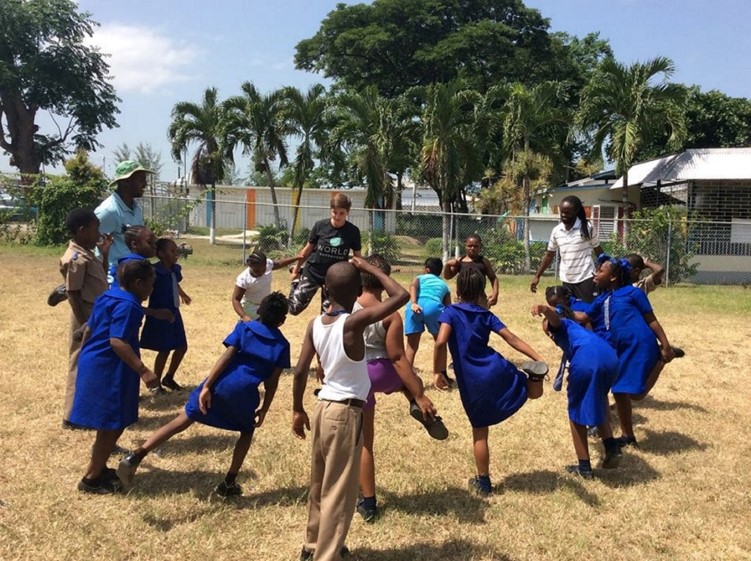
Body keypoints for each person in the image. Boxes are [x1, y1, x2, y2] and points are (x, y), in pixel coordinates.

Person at [291, 258, 408, 561]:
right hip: (345, 413)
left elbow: (301, 370)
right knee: (339, 492)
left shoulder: (315, 324)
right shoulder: (353, 323)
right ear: (358, 291)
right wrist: (373, 270)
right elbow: (401, 296)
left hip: (320, 407)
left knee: (319, 483)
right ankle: (327, 555)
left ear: (325, 289)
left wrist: (296, 409)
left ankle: (312, 545)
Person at [117, 293, 291, 497]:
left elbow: (225, 358)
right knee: (246, 432)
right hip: (245, 394)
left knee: (183, 419)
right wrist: (264, 409)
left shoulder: (245, 328)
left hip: (220, 385)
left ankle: (137, 455)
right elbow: (272, 383)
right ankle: (229, 482)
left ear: (259, 310)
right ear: (283, 320)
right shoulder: (282, 345)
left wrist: (208, 386)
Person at [434, 268, 548, 496]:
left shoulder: (450, 312)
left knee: (480, 431)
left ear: (457, 291)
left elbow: (440, 342)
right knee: (525, 389)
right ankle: (534, 378)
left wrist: (438, 371)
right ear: (481, 292)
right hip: (495, 368)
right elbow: (511, 338)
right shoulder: (485, 314)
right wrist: (537, 357)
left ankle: (484, 482)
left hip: (472, 379)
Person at [353, 255, 446, 523]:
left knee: (365, 443)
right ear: (386, 280)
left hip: (359, 377)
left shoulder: (349, 309)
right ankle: (415, 404)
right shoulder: (389, 315)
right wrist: (418, 391)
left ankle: (368, 503)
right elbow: (397, 358)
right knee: (404, 380)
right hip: (384, 373)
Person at [68, 259, 159, 494]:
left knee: (111, 423)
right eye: (151, 284)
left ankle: (97, 468)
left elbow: (89, 329)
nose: (152, 289)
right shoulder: (129, 306)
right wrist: (144, 371)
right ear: (139, 284)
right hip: (111, 368)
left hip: (98, 362)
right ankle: (91, 478)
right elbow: (117, 342)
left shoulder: (109, 295)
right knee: (111, 425)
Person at [577, 256, 675, 448]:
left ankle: (660, 362)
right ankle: (628, 436)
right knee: (620, 391)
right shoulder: (603, 298)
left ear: (613, 277)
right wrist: (557, 312)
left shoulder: (633, 293)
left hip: (639, 345)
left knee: (635, 395)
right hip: (620, 347)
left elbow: (651, 320)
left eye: (600, 271)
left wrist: (665, 345)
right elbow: (584, 316)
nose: (595, 274)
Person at [532, 303, 621, 479]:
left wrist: (544, 310)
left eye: (548, 331)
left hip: (588, 359)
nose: (549, 334)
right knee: (600, 398)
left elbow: (555, 320)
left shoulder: (562, 325)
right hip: (610, 357)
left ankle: (584, 467)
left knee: (576, 412)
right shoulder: (579, 330)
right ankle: (612, 447)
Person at [58, 208, 111, 430]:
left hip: (96, 312)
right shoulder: (76, 258)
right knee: (79, 362)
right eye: (95, 229)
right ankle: (71, 416)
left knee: (92, 362)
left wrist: (105, 253)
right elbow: (72, 293)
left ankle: (87, 410)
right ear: (82, 230)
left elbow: (101, 277)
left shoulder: (88, 254)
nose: (98, 233)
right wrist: (84, 324)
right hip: (86, 314)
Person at [288, 193, 362, 316]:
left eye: (341, 213)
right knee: (294, 309)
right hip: (313, 272)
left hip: (334, 278)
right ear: (330, 211)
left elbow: (358, 257)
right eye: (334, 212)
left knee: (329, 315)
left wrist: (359, 279)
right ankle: (299, 279)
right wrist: (296, 270)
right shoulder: (320, 226)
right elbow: (307, 250)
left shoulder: (353, 231)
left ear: (347, 212)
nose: (337, 216)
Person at [140, 238, 192, 391]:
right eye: (172, 251)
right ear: (161, 254)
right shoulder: (154, 271)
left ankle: (168, 377)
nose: (176, 254)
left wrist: (183, 295)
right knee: (164, 349)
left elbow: (174, 282)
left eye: (177, 251)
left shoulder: (174, 269)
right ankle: (155, 384)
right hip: (160, 313)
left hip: (174, 311)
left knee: (182, 346)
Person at [531, 195, 603, 303]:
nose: (564, 215)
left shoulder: (587, 227)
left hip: (586, 278)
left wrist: (604, 269)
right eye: (562, 212)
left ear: (576, 211)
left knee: (587, 313)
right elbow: (549, 255)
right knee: (569, 313)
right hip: (567, 280)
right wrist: (537, 276)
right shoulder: (557, 231)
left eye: (567, 212)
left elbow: (598, 250)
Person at [95, 160, 154, 283]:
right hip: (115, 280)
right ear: (126, 182)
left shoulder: (135, 208)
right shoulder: (108, 211)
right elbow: (95, 248)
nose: (145, 184)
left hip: (132, 276)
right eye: (141, 180)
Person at [404, 258, 452, 385]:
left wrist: (414, 303)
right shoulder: (444, 285)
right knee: (440, 342)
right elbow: (448, 307)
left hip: (414, 308)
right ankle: (441, 374)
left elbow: (413, 286)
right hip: (434, 307)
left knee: (411, 345)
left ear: (427, 269)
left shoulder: (420, 277)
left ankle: (406, 378)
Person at [232, 251, 300, 322]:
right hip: (250, 306)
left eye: (263, 270)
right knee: (262, 325)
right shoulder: (244, 279)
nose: (261, 273)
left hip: (265, 305)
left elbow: (279, 263)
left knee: (267, 323)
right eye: (257, 271)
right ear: (250, 265)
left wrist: (295, 258)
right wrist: (243, 316)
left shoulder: (268, 264)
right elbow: (235, 299)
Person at [443, 234, 499, 308]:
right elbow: (447, 276)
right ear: (465, 246)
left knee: (480, 318)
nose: (472, 248)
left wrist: (495, 294)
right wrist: (447, 264)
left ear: (480, 247)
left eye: (475, 246)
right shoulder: (460, 261)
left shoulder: (484, 262)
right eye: (469, 246)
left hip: (480, 299)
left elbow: (493, 278)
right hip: (462, 299)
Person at [108, 225, 157, 290]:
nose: (154, 246)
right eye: (150, 242)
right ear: (134, 244)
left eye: (155, 242)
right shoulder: (137, 266)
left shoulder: (124, 263)